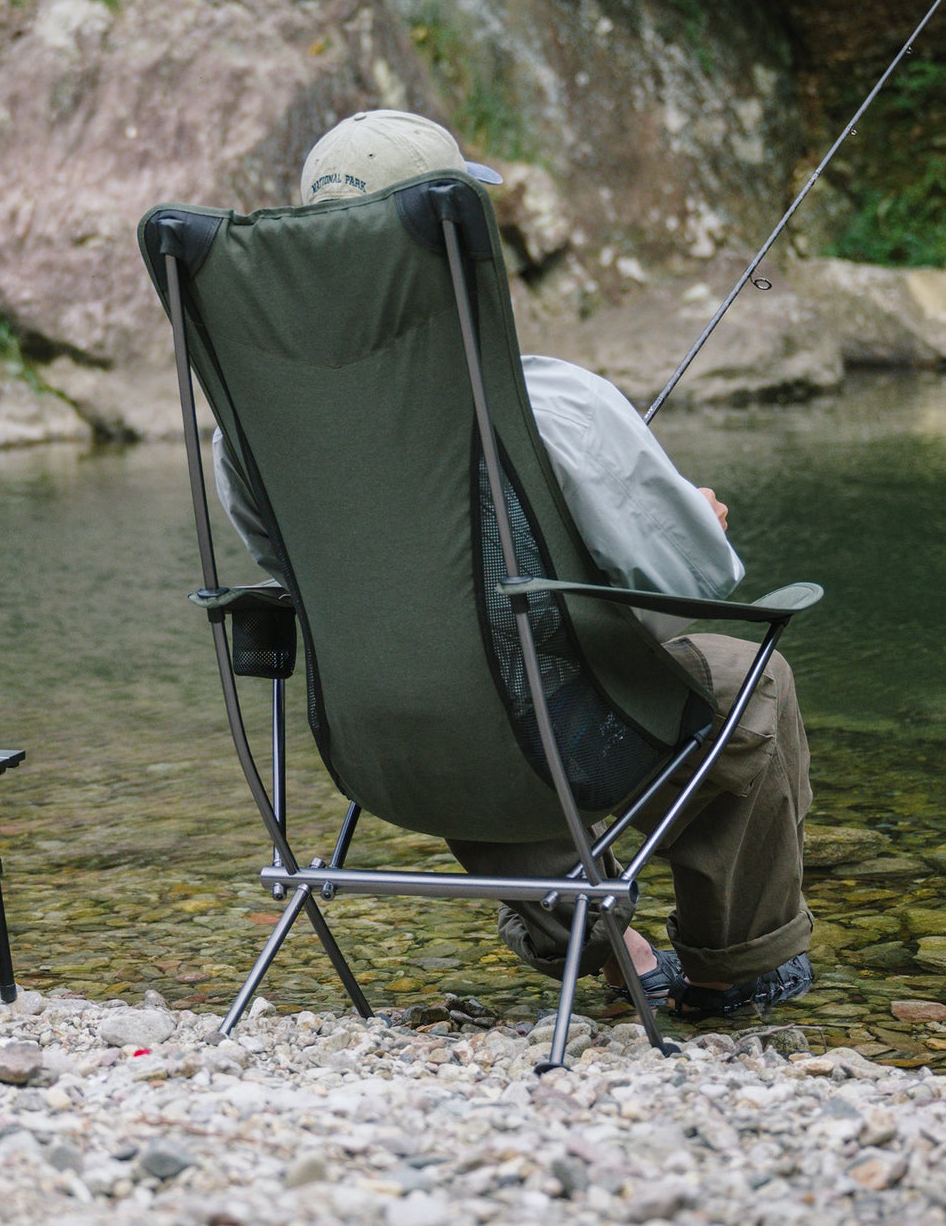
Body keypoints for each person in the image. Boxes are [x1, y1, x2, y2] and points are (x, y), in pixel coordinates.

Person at [212, 109, 814, 1019]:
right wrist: (693, 515)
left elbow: (312, 579)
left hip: (379, 741)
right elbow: (694, 579)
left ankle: (605, 947)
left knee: (441, 661)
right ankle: (737, 966)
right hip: (541, 730)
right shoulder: (553, 403)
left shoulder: (248, 438)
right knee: (751, 685)